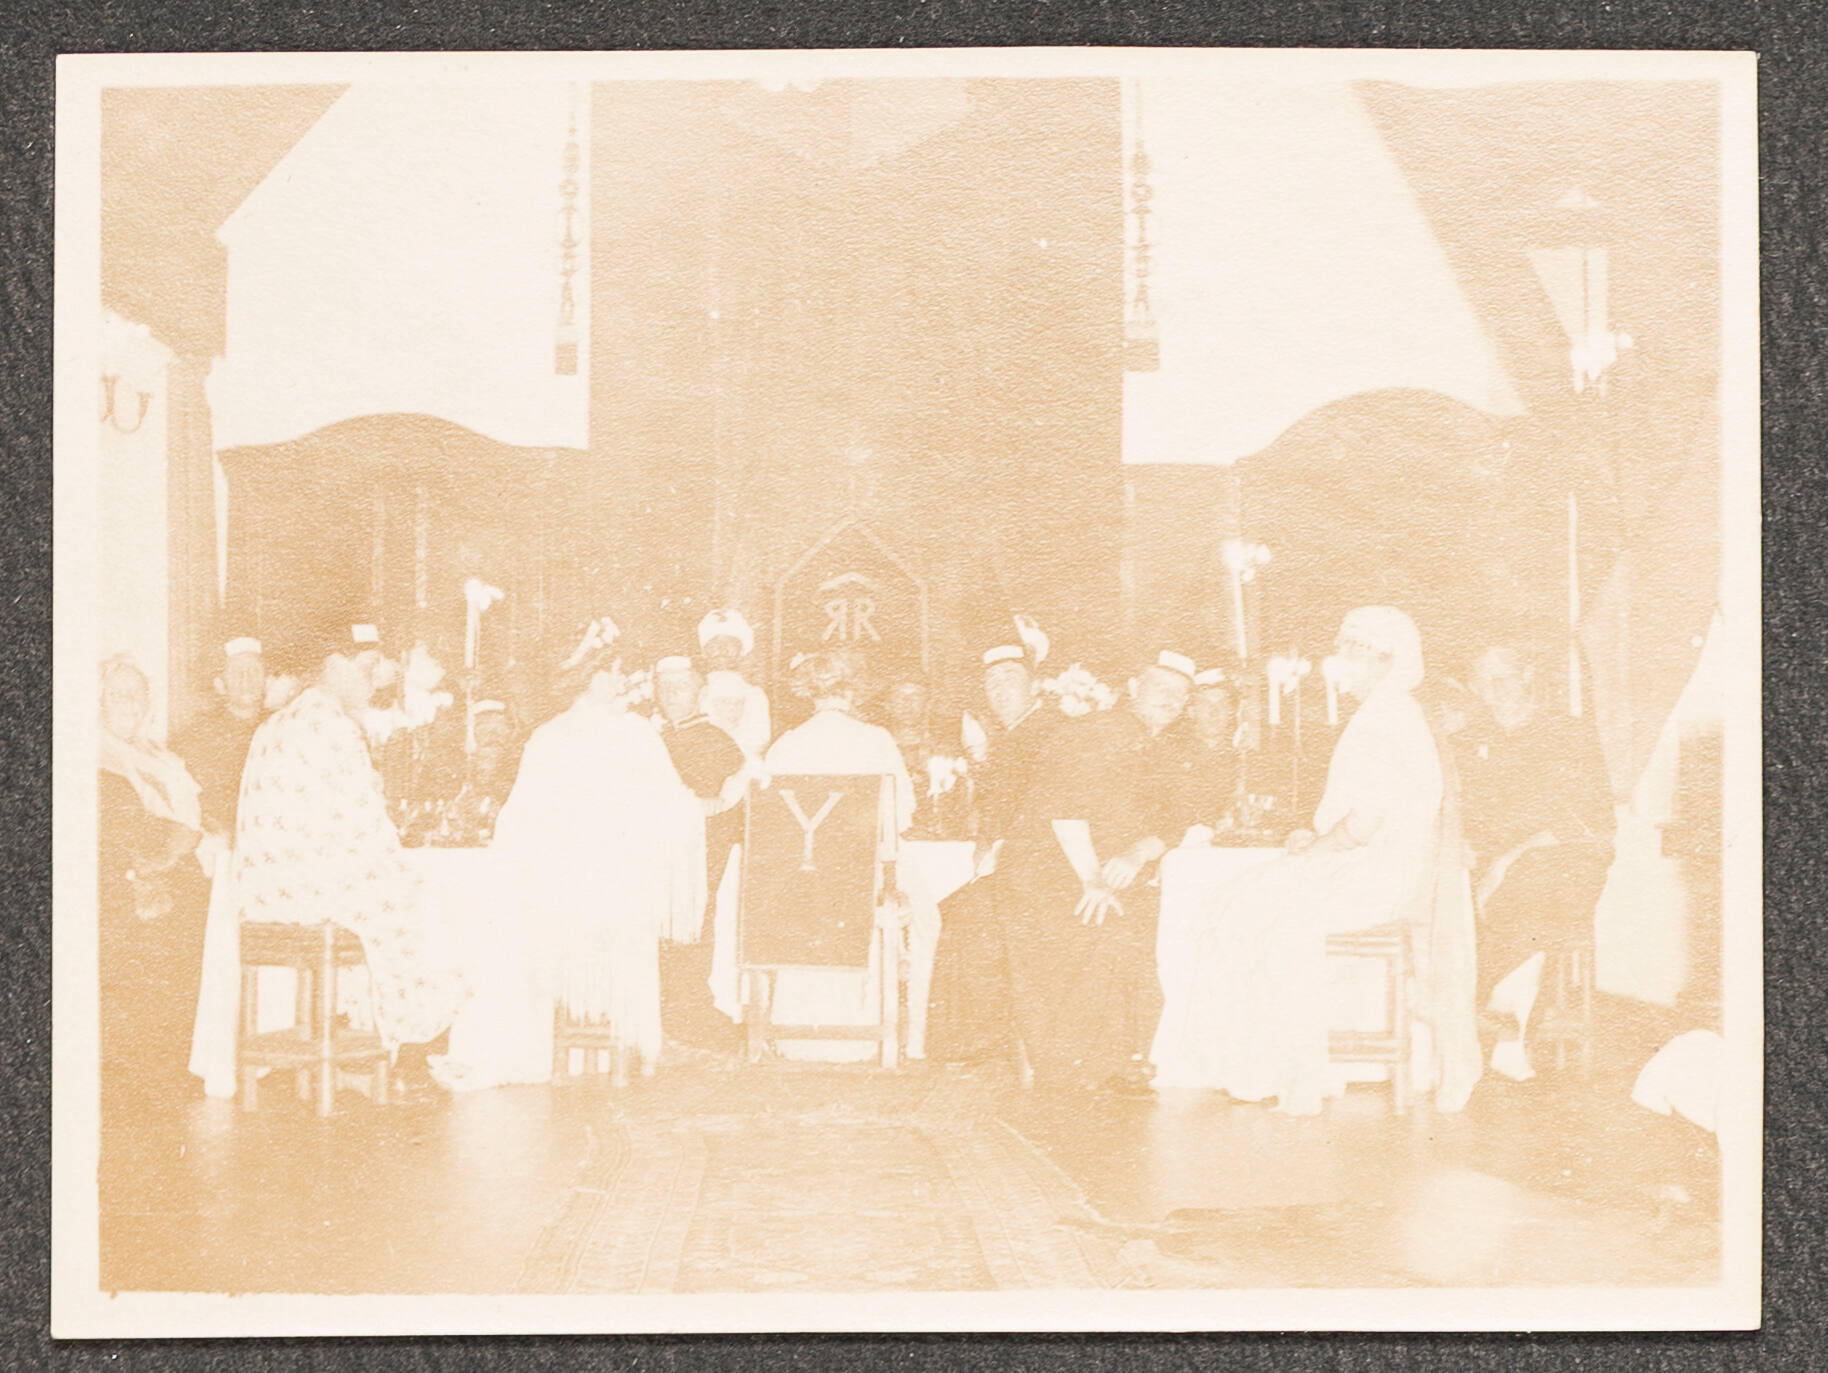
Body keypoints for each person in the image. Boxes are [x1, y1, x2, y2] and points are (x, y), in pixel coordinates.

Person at [1153, 607, 1445, 1114]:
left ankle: (1299, 1074)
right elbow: (1356, 814)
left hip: (1377, 875)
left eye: (1351, 651)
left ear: (1382, 658)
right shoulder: (1385, 712)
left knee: (1270, 924)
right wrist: (1312, 837)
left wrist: (1318, 847)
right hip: (1363, 865)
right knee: (1238, 902)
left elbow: (1364, 825)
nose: (1340, 660)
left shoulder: (1387, 716)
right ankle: (1262, 1067)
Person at [433, 620, 705, 1090]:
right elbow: (673, 811)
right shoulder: (635, 734)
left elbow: (514, 828)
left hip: (558, 908)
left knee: (517, 934)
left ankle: (525, 1054)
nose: (622, 683)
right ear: (597, 678)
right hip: (616, 909)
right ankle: (614, 1050)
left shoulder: (546, 737)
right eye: (617, 673)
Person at [234, 620, 469, 1085]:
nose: (375, 677)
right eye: (366, 666)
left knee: (401, 893)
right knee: (438, 900)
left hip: (263, 897)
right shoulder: (333, 725)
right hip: (309, 899)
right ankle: (405, 1051)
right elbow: (368, 831)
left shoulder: (277, 722)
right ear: (334, 665)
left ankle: (360, 1042)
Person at [727, 648, 938, 1060]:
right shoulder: (876, 739)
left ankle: (792, 1036)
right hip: (861, 883)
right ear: (855, 691)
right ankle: (907, 1041)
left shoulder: (787, 744)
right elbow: (903, 814)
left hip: (801, 886)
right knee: (929, 917)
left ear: (809, 692)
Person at [999, 646, 1194, 1093]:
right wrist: (1091, 878)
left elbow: (1175, 821)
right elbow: (1065, 808)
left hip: (1102, 871)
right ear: (1131, 689)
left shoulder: (1156, 746)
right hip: (1048, 873)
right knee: (1104, 929)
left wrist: (1139, 852)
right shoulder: (1099, 731)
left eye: (1181, 694)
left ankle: (1118, 1059)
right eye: (1160, 687)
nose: (1171, 699)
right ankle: (1076, 1066)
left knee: (1138, 933)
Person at [1460, 644, 1616, 1079]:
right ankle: (1510, 1027)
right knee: (1515, 898)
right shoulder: (1470, 739)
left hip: (1564, 859)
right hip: (1493, 869)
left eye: (1502, 679)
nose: (1491, 692)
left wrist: (1508, 859)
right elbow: (1455, 809)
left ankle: (1484, 1008)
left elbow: (1591, 818)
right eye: (1480, 682)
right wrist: (1464, 844)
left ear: (1527, 673)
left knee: (1536, 880)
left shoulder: (1568, 732)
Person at [927, 617, 1058, 1065]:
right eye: (992, 683)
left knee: (965, 916)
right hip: (1014, 866)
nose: (999, 691)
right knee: (953, 908)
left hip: (1043, 870)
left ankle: (981, 1039)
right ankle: (979, 1037)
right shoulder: (1010, 736)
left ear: (1034, 686)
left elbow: (1044, 808)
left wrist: (997, 846)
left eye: (1010, 680)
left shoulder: (1047, 732)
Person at [97, 655, 209, 1109]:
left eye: (137, 692)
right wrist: (161, 858)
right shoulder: (95, 752)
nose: (129, 701)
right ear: (99, 701)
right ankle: (146, 1076)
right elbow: (119, 828)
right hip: (132, 880)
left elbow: (191, 814)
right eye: (118, 693)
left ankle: (171, 1067)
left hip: (177, 872)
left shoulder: (158, 754)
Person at [652, 652, 749, 1052]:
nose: (673, 694)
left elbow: (717, 805)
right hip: (657, 856)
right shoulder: (652, 739)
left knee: (690, 929)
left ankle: (689, 1010)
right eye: (665, 687)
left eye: (682, 687)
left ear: (701, 692)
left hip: (699, 857)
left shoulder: (714, 741)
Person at [172, 635, 267, 837]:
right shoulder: (198, 736)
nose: (246, 679)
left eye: (254, 671)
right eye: (236, 672)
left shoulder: (280, 728)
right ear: (220, 684)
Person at [1165, 665, 1243, 842]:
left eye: (1222, 705)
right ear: (1191, 711)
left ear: (1232, 713)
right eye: (1206, 704)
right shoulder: (1170, 757)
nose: (1214, 712)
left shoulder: (1246, 760)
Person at [697, 608, 773, 761]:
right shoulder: (696, 691)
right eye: (714, 643)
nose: (722, 649)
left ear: (741, 651)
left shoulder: (754, 694)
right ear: (704, 652)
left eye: (730, 643)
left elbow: (759, 740)